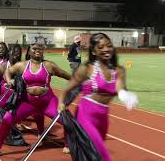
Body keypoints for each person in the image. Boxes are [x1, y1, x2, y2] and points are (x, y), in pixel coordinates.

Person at [59, 33, 139, 161]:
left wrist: (125, 95)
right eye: (101, 47)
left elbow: (120, 88)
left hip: (103, 119)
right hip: (86, 116)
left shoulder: (119, 70)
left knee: (92, 156)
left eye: (108, 46)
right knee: (103, 156)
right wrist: (61, 104)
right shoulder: (87, 69)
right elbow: (66, 90)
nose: (106, 49)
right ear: (94, 51)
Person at [0, 38, 71, 159]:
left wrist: (78, 80)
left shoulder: (49, 65)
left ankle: (67, 144)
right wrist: (9, 80)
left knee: (67, 119)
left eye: (40, 49)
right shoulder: (22, 65)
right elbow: (7, 71)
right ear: (29, 51)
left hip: (48, 102)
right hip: (28, 102)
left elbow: (64, 74)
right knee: (6, 120)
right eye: (34, 49)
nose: (38, 51)